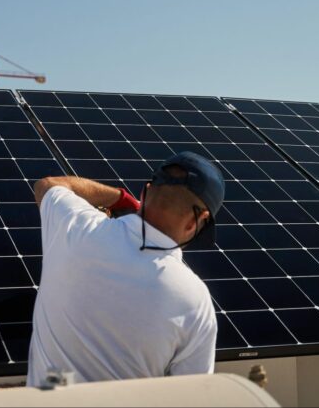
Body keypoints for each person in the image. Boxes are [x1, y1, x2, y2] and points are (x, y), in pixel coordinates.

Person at [27, 151, 225, 387]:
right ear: (197, 221)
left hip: (47, 396)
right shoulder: (195, 300)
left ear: (145, 192)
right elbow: (191, 395)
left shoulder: (76, 226)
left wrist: (120, 198)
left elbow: (48, 185)